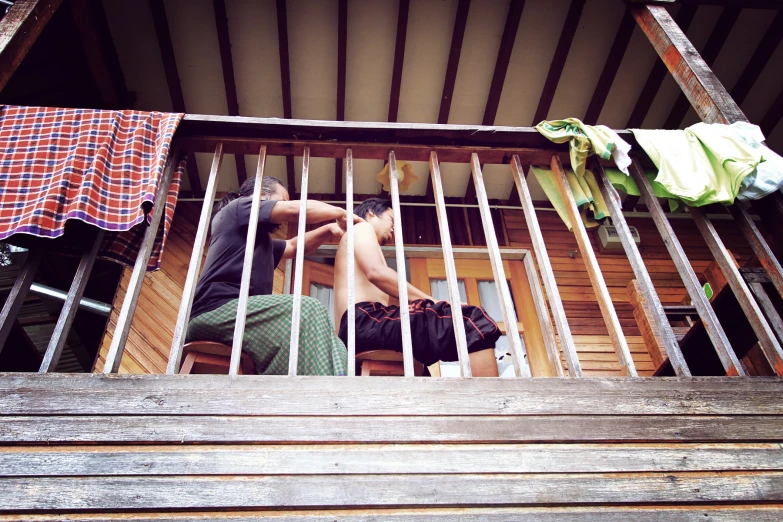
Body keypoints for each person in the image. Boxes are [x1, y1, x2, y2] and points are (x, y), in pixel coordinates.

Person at [187, 175, 362, 376]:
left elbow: (294, 246)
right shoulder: (238, 208)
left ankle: (335, 391)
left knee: (334, 343)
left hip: (245, 320)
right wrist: (340, 213)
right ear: (262, 195)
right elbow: (295, 211)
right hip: (216, 312)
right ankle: (313, 394)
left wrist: (328, 229)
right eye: (282, 200)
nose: (285, 205)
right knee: (307, 308)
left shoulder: (262, 242)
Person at [333, 198, 500, 376]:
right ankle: (490, 401)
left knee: (422, 372)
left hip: (359, 329)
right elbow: (376, 272)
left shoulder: (359, 244)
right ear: (372, 213)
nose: (394, 228)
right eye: (391, 219)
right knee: (471, 320)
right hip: (363, 321)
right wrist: (434, 302)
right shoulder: (361, 227)